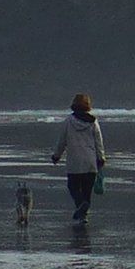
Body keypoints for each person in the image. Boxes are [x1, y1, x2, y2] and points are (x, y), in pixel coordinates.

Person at [48, 94, 109, 223]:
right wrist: (101, 157)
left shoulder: (68, 121)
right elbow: (98, 141)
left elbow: (62, 141)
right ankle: (84, 214)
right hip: (90, 162)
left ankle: (81, 207)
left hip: (74, 162)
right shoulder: (93, 122)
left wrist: (56, 156)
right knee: (87, 191)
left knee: (73, 187)